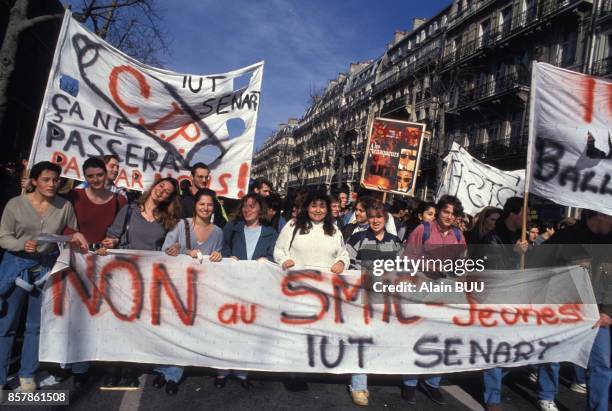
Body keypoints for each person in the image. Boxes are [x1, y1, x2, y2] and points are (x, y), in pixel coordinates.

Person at [0, 161, 88, 391]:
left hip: (46, 269)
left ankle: (27, 374)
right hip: (16, 267)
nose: (52, 184)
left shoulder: (64, 206)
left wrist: (78, 236)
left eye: (56, 180)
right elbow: (3, 237)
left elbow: (71, 231)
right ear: (35, 180)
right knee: (6, 325)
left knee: (35, 325)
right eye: (47, 179)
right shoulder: (15, 204)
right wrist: (22, 244)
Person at [98, 177, 180, 388]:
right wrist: (110, 241)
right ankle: (112, 368)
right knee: (115, 322)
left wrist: (174, 249)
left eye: (168, 192)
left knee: (137, 325)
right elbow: (114, 235)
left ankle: (130, 369)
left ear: (170, 198)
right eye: (161, 186)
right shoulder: (129, 210)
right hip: (121, 275)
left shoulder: (166, 220)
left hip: (147, 278)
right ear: (154, 186)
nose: (162, 191)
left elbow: (167, 247)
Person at [480, 197, 559, 411]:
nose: (528, 217)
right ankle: (492, 397)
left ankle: (545, 394)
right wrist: (513, 254)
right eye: (525, 212)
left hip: (521, 299)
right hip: (498, 302)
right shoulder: (492, 237)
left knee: (527, 348)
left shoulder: (521, 236)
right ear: (514, 214)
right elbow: (490, 270)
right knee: (497, 348)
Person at [274, 191, 350, 391]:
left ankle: (309, 368)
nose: (318, 210)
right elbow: (278, 250)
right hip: (296, 290)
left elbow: (344, 254)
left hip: (322, 292)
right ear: (307, 207)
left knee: (315, 332)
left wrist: (342, 262)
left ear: (328, 210)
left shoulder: (334, 230)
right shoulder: (292, 226)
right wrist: (284, 260)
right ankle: (293, 372)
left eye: (322, 206)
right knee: (296, 332)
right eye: (314, 206)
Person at [63, 157, 128, 388]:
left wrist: (114, 240)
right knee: (77, 313)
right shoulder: (75, 196)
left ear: (106, 174)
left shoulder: (120, 200)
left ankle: (105, 361)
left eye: (99, 175)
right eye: (90, 176)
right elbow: (63, 223)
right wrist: (75, 236)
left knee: (105, 313)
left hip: (106, 262)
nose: (96, 180)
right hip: (78, 260)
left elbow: (121, 231)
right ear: (85, 177)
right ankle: (79, 366)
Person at [537, 209, 612, 411]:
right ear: (600, 215)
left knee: (602, 364)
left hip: (597, 313)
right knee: (554, 354)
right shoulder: (567, 236)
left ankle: (599, 408)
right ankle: (546, 395)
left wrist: (608, 312)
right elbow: (539, 263)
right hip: (564, 308)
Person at [152, 188, 223, 395]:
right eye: (202, 204)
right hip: (176, 286)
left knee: (186, 331)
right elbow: (166, 250)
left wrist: (218, 255)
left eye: (210, 204)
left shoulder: (218, 232)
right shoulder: (180, 225)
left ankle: (172, 373)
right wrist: (183, 252)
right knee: (171, 329)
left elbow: (218, 258)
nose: (205, 208)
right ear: (195, 205)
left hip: (200, 290)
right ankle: (166, 370)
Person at [401, 195, 467, 406]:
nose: (449, 216)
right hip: (421, 288)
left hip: (446, 290)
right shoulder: (424, 229)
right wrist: (426, 267)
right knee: (418, 335)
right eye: (446, 211)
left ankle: (432, 382)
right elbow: (408, 257)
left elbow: (463, 263)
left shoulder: (458, 234)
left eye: (453, 213)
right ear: (439, 211)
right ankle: (410, 382)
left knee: (442, 337)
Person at [345, 200, 402, 406]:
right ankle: (359, 385)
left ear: (386, 218)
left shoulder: (396, 242)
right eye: (372, 216)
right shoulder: (357, 238)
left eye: (379, 217)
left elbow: (401, 270)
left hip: (385, 300)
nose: (375, 220)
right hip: (361, 299)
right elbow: (346, 265)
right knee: (363, 339)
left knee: (376, 340)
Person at [217, 193, 278, 389]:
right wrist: (228, 257)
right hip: (232, 285)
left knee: (247, 329)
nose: (248, 210)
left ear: (260, 209)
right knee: (228, 328)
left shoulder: (270, 231)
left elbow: (274, 255)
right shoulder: (232, 228)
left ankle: (242, 371)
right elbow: (223, 248)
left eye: (252, 206)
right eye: (245, 206)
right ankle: (222, 370)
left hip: (256, 288)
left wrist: (267, 260)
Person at [180, 163, 225, 228]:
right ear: (191, 177)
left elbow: (220, 224)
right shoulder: (181, 198)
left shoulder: (213, 199)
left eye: (206, 177)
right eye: (200, 177)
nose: (204, 180)